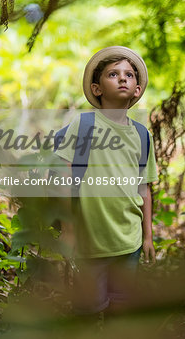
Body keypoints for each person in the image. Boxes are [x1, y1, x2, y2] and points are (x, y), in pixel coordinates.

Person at [54, 46, 158, 315]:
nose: (123, 78)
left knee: (120, 307)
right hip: (90, 243)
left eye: (129, 74)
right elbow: (64, 177)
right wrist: (69, 230)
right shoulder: (84, 125)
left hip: (129, 243)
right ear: (97, 88)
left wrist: (147, 236)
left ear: (137, 89)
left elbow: (143, 188)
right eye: (113, 74)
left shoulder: (142, 135)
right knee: (87, 309)